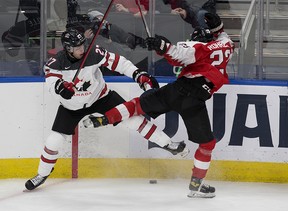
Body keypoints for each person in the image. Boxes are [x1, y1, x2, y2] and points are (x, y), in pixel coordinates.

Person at [82, 13, 234, 198]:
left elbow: (177, 55)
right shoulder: (227, 45)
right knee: (207, 144)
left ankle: (104, 119)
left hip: (178, 90)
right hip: (195, 100)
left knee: (137, 105)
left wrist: (162, 47)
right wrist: (218, 27)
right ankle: (196, 185)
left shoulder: (196, 46)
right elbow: (221, 37)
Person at [24, 28, 189, 191]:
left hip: (101, 97)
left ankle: (168, 144)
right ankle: (42, 174)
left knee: (134, 119)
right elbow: (52, 83)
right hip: (71, 106)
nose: (82, 49)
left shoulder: (93, 52)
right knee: (54, 140)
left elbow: (119, 63)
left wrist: (138, 74)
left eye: (83, 44)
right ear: (68, 48)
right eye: (77, 47)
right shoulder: (55, 62)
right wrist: (61, 88)